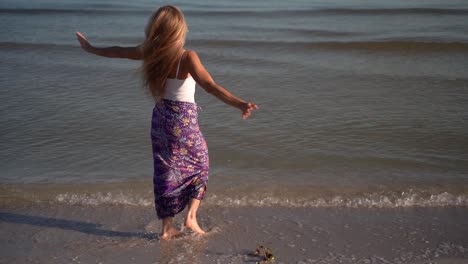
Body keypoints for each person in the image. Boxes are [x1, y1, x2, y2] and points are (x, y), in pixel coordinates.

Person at [76, 5, 258, 240]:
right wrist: (240, 103)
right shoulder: (186, 57)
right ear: (178, 31)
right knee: (201, 163)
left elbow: (119, 51)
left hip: (160, 118)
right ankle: (191, 217)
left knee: (165, 171)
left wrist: (91, 48)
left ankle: (167, 227)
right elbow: (211, 87)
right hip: (183, 120)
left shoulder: (150, 52)